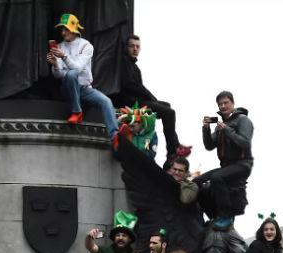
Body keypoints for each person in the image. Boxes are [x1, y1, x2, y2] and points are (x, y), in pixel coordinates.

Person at [110, 35, 189, 160]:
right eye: (132, 46)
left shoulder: (134, 66)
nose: (135, 49)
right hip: (131, 103)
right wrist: (150, 97)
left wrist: (151, 98)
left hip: (138, 100)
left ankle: (176, 144)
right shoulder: (123, 63)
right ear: (126, 47)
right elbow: (129, 85)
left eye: (137, 47)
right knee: (169, 113)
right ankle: (172, 151)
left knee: (167, 106)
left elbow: (139, 87)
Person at [47, 13, 118, 142]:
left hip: (85, 89)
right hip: (68, 88)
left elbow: (78, 68)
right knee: (70, 75)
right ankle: (76, 111)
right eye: (62, 29)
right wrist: (55, 64)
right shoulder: (60, 46)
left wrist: (64, 57)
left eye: (66, 29)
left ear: (74, 30)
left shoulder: (86, 46)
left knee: (106, 101)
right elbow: (59, 75)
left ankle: (115, 137)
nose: (63, 33)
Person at [198, 91, 254, 226]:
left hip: (242, 164)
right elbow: (209, 145)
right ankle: (212, 217)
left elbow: (245, 143)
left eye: (225, 103)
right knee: (196, 182)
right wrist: (206, 129)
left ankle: (226, 216)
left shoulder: (243, 120)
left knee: (217, 177)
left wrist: (228, 131)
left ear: (232, 103)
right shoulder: (221, 125)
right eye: (220, 104)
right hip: (226, 167)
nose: (223, 106)